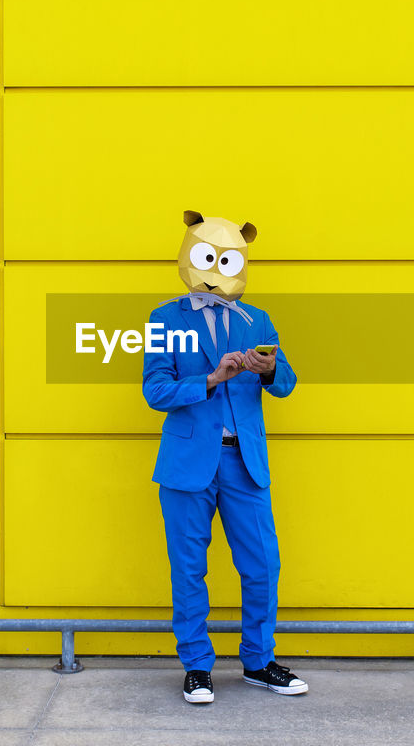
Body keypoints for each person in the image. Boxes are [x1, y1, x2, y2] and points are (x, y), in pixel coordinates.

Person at [142, 210, 306, 704]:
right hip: (188, 464)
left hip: (244, 463)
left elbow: (288, 384)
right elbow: (155, 390)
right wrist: (210, 379)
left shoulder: (258, 319)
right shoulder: (164, 318)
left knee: (262, 564)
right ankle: (197, 667)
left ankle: (259, 661)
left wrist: (268, 369)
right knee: (188, 566)